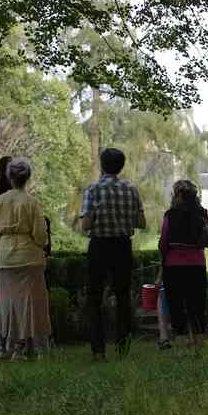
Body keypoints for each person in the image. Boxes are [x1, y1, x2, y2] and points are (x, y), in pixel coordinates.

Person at [81, 147, 146, 361]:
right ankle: (123, 348)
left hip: (99, 246)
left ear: (102, 164)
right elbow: (141, 223)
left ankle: (98, 351)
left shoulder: (93, 190)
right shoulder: (132, 190)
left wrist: (97, 215)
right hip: (122, 247)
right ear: (122, 166)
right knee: (123, 297)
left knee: (94, 298)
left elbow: (86, 225)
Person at [0, 158, 51, 361]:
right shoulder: (31, 202)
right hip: (29, 258)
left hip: (4, 258)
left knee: (7, 303)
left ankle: (4, 347)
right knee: (32, 303)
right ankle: (25, 348)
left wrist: (4, 243)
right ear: (27, 177)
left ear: (9, 177)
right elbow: (40, 235)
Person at [158, 180, 208, 348]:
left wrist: (163, 259)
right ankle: (199, 341)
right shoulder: (202, 214)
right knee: (197, 303)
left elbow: (163, 242)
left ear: (177, 196)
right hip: (197, 264)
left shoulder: (170, 215)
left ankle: (182, 342)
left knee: (176, 304)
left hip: (174, 266)